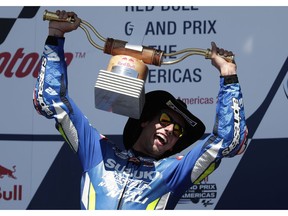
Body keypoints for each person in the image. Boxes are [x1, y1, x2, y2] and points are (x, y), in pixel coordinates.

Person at [33, 10, 248, 210]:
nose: (170, 130)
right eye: (165, 120)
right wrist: (56, 35)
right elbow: (50, 101)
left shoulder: (172, 173)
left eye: (177, 132)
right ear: (145, 120)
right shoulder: (98, 152)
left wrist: (228, 74)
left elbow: (228, 142)